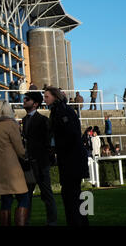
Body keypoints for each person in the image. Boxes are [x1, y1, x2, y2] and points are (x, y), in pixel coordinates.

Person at [44, 86, 89, 226]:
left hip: (72, 158)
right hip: (70, 157)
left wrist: (55, 148)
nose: (44, 99)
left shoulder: (62, 111)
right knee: (72, 193)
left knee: (72, 194)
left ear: (55, 96)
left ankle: (78, 222)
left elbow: (70, 135)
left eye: (47, 96)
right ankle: (81, 221)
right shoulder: (59, 110)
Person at [0, 100, 29, 226]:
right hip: (11, 166)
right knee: (23, 198)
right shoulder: (10, 124)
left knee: (5, 200)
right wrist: (26, 156)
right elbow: (20, 149)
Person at [22, 91, 57, 226]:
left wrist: (46, 160)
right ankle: (26, 220)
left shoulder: (43, 120)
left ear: (35, 104)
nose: (24, 100)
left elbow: (49, 141)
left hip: (41, 163)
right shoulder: (24, 120)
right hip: (29, 164)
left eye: (27, 99)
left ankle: (52, 221)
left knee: (47, 194)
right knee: (27, 195)